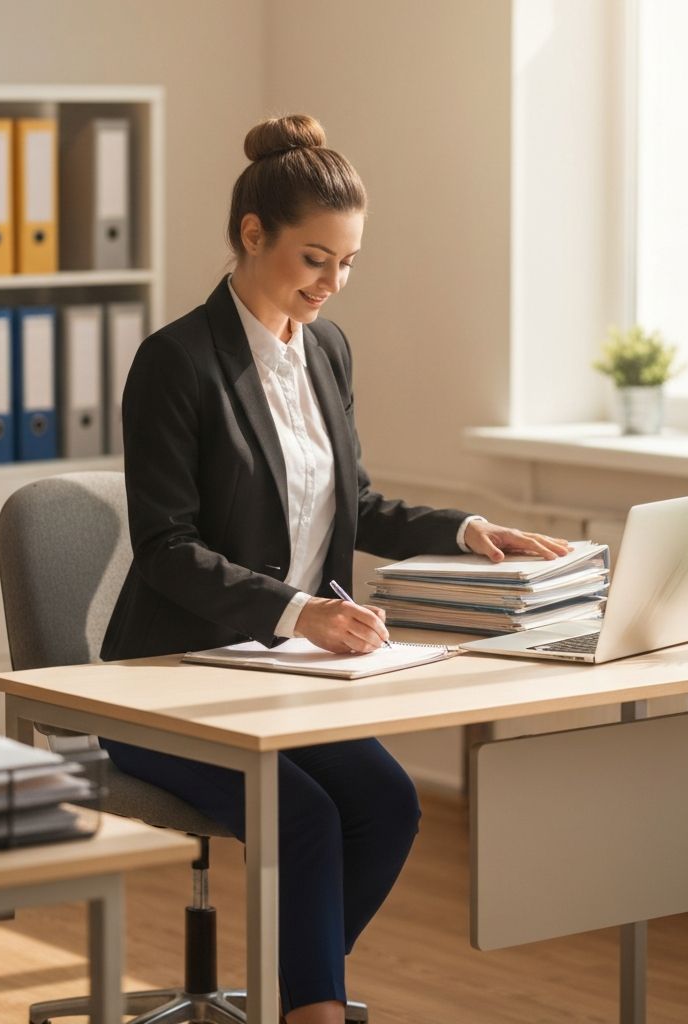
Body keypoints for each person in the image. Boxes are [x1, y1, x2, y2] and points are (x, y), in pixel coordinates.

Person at [99, 113, 571, 1024]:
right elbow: (164, 548)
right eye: (316, 258)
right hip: (167, 679)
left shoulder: (327, 352)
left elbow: (358, 502)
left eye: (348, 262)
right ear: (251, 235)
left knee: (389, 808)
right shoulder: (176, 362)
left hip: (279, 678)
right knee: (305, 815)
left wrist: (470, 529)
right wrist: (295, 611)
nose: (332, 283)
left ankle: (292, 991)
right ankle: (312, 1009)